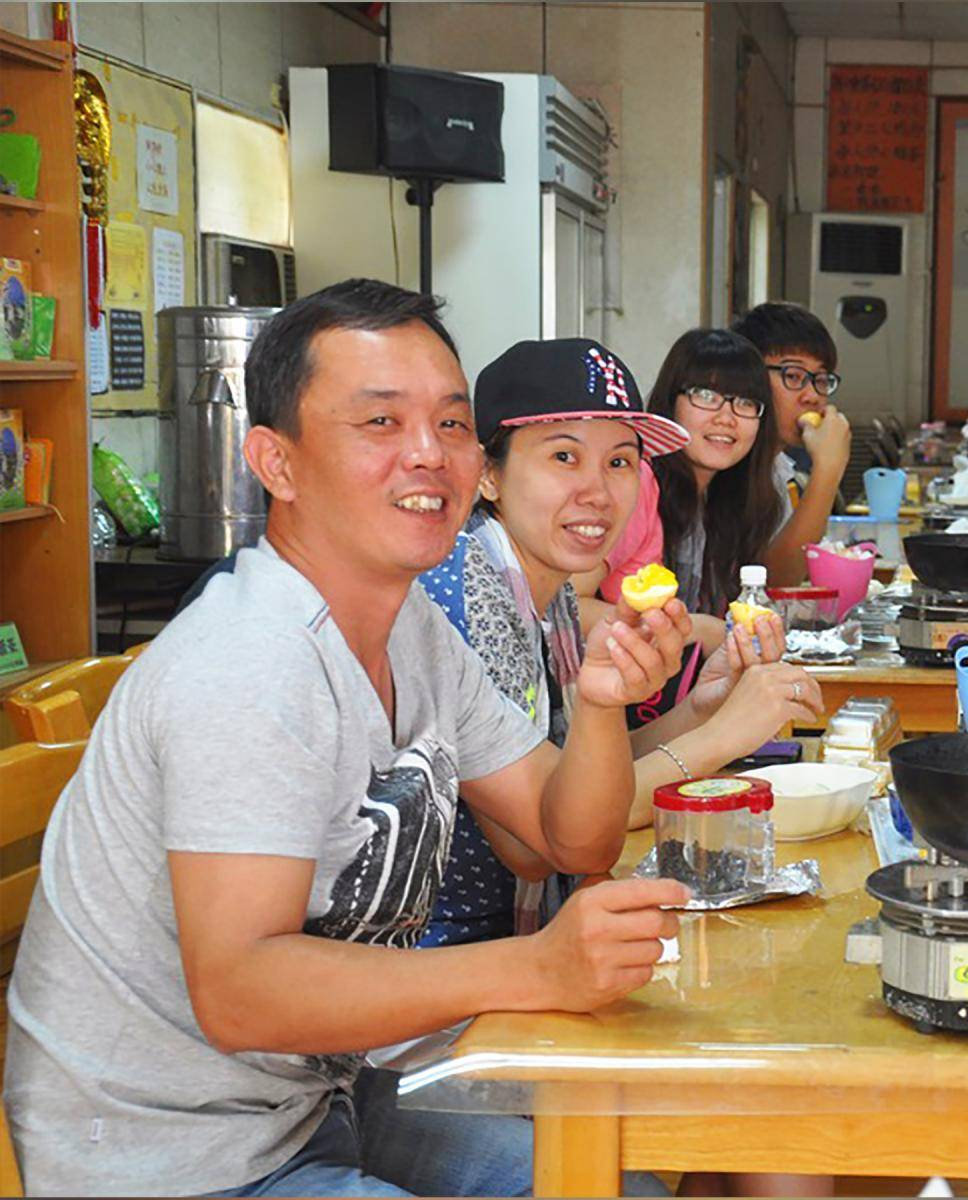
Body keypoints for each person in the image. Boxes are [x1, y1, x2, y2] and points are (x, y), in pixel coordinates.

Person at [1, 280, 691, 1198]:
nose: (429, 457)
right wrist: (538, 967)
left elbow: (572, 836)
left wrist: (600, 702)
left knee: (623, 1187)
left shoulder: (411, 628)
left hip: (321, 1101)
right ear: (275, 463)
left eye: (450, 425)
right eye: (379, 423)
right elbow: (241, 990)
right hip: (166, 1160)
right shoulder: (250, 663)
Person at [411, 336, 824, 948]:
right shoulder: (466, 590)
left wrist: (698, 709)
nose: (598, 493)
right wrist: (722, 738)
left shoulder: (544, 591)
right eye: (563, 457)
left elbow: (570, 776)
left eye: (620, 462)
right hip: (452, 978)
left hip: (529, 942)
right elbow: (538, 844)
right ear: (487, 473)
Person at [648, 328, 789, 616]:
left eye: (746, 402)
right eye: (706, 395)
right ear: (670, 401)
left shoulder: (735, 499)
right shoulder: (638, 486)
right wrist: (701, 629)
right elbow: (573, 604)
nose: (726, 418)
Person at [732, 302, 852, 588]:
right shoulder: (726, 463)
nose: (812, 396)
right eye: (794, 376)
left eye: (821, 380)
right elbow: (773, 585)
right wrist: (828, 470)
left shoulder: (778, 466)